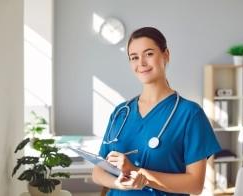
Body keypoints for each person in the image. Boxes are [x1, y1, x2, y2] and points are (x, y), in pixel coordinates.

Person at [92, 26, 221, 195]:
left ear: (166, 55)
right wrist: (118, 183)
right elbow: (97, 171)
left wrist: (138, 173)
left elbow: (195, 184)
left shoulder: (189, 114)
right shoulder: (121, 112)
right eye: (134, 57)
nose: (141, 63)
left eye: (149, 54)